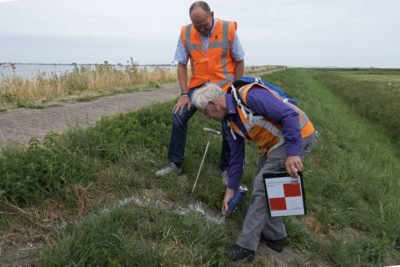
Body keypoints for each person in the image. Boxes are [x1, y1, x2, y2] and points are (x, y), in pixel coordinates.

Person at [191, 83, 316, 262]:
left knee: (261, 189)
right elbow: (236, 157)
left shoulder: (251, 96)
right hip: (273, 145)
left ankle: (246, 247)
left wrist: (293, 153)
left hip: (297, 136)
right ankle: (276, 237)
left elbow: (289, 115)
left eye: (204, 112)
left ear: (213, 104)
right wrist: (230, 190)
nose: (206, 116)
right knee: (267, 188)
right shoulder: (229, 122)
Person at [155, 1, 245, 182]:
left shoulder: (228, 29)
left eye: (204, 25)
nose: (202, 30)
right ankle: (175, 164)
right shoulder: (186, 33)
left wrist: (234, 92)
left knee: (229, 122)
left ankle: (226, 169)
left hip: (224, 87)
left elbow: (240, 61)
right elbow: (181, 65)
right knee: (179, 115)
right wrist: (183, 94)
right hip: (198, 86)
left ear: (212, 15)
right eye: (198, 26)